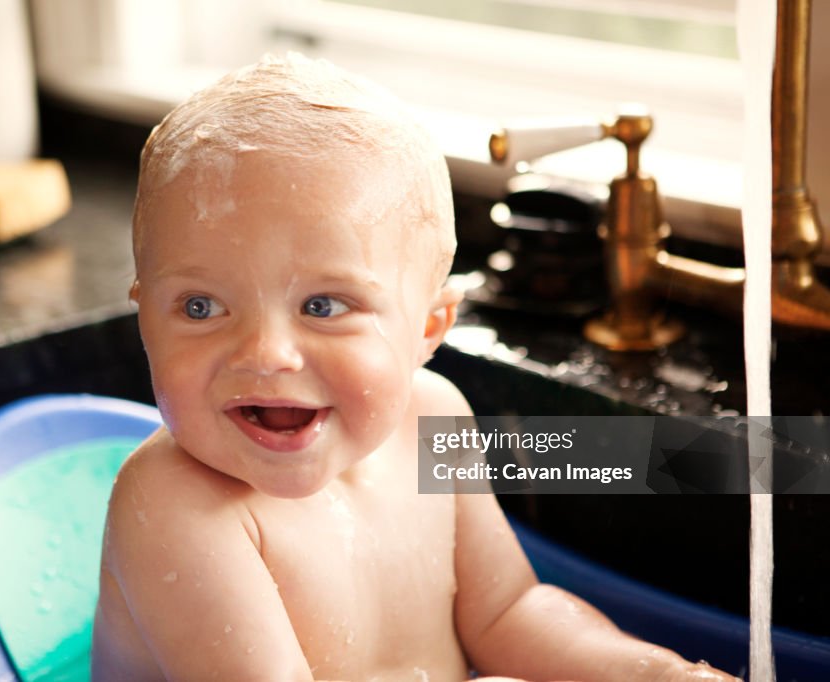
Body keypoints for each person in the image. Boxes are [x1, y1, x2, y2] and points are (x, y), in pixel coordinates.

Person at [92, 53, 738, 682]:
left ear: (428, 328)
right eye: (200, 306)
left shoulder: (434, 416)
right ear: (145, 316)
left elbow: (508, 612)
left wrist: (655, 672)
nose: (264, 353)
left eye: (322, 305)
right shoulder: (173, 504)